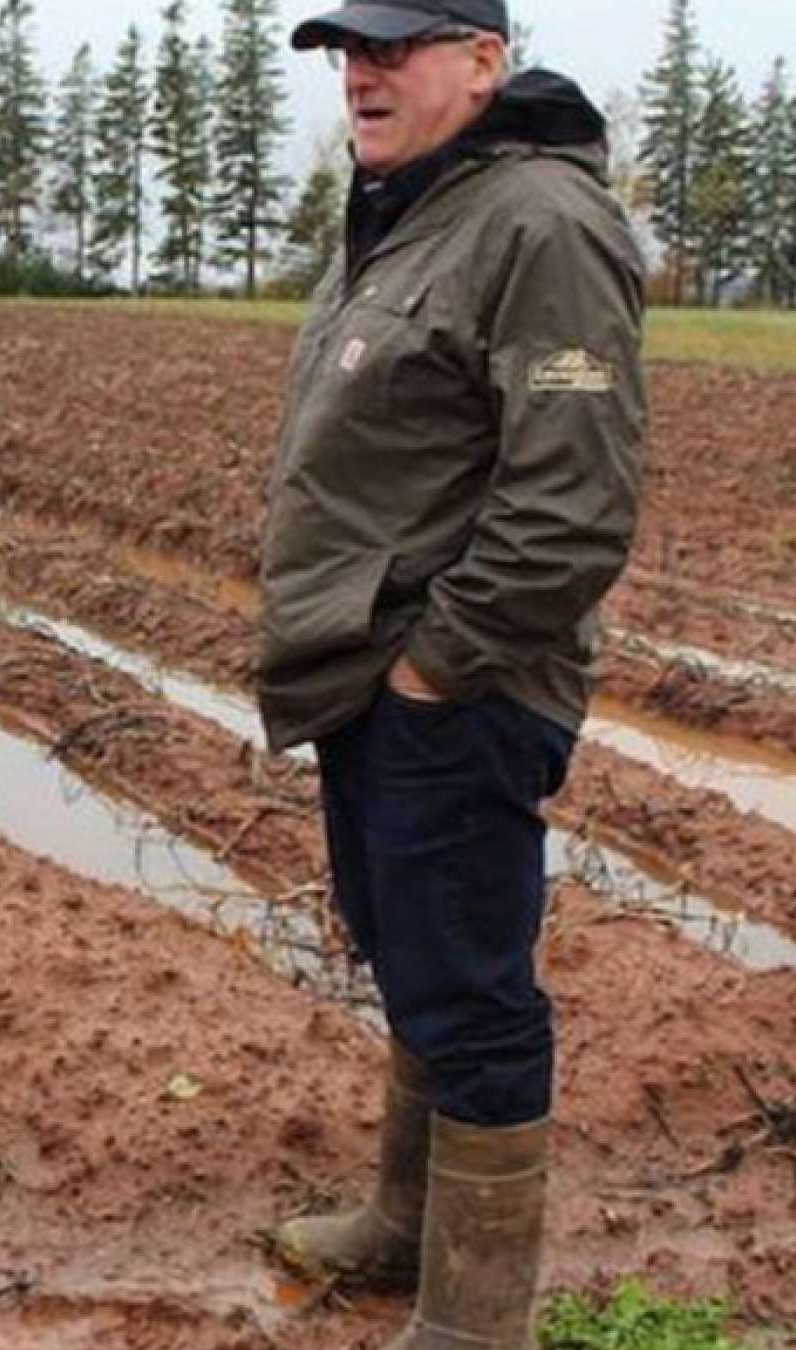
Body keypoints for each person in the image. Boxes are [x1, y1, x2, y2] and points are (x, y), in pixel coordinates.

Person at [254, 1, 645, 1344]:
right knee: (414, 954)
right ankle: (406, 1226)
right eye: (346, 53)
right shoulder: (409, 207)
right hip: (376, 666)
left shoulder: (538, 222)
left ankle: (476, 1323)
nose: (360, 73)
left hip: (460, 685)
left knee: (474, 994)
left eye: (393, 48)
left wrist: (435, 670)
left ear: (484, 62)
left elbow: (572, 504)